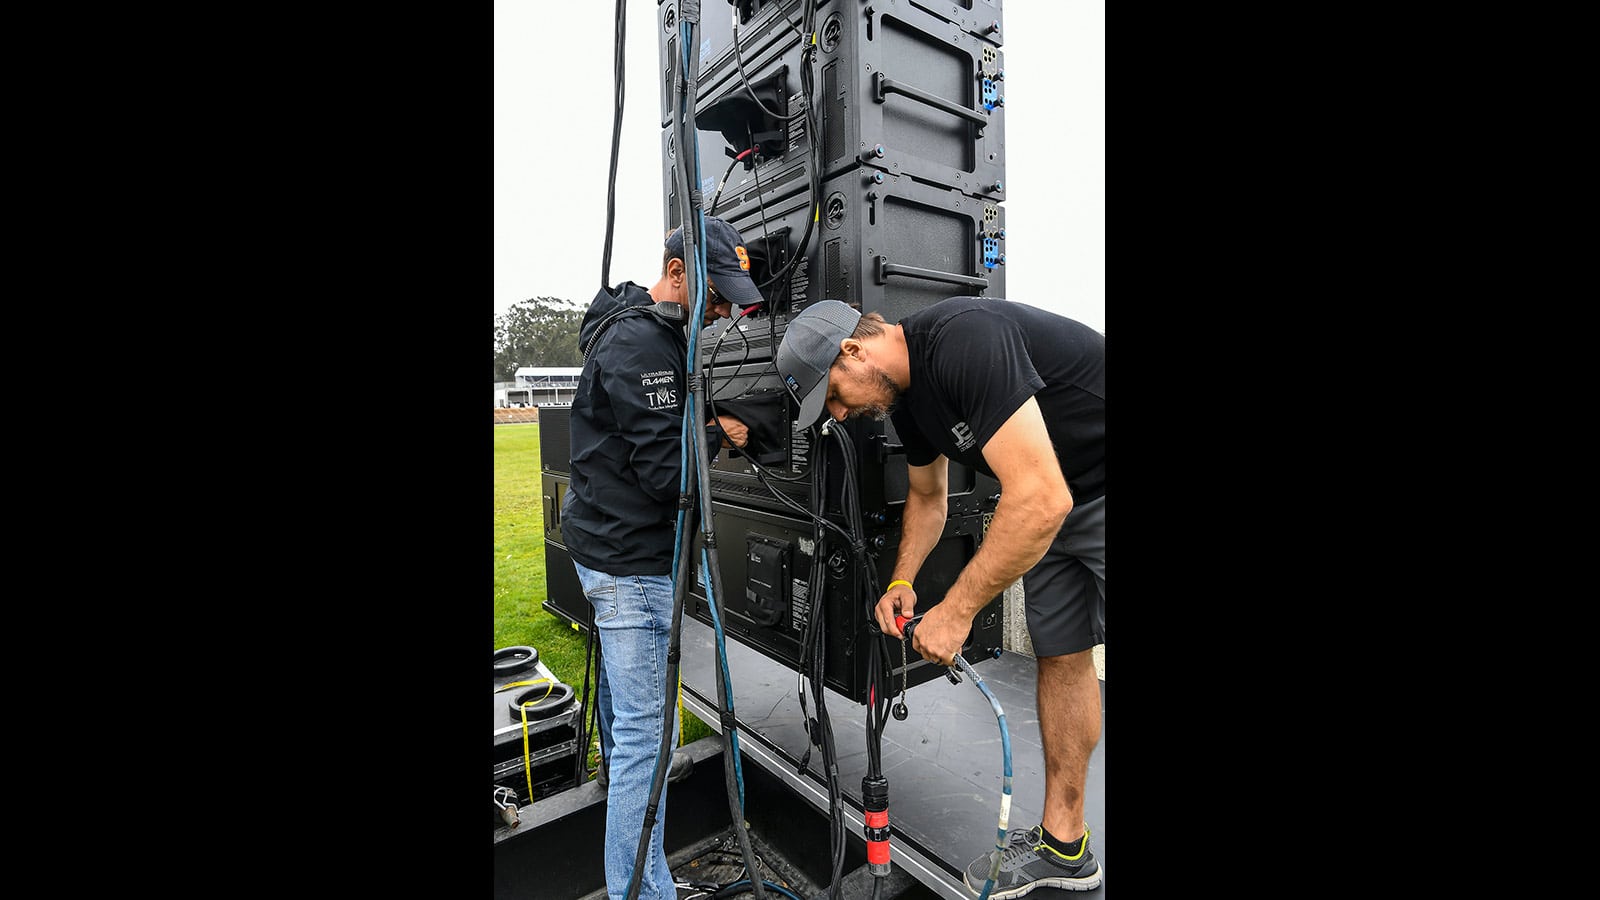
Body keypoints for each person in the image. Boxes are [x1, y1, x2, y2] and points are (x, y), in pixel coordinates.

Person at [774, 297, 1105, 895]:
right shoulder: (909, 402)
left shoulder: (963, 340)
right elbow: (929, 500)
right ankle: (1065, 844)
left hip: (1067, 492)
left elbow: (1038, 497)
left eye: (835, 395)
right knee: (1063, 654)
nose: (841, 414)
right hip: (1057, 495)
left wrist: (955, 612)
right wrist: (904, 581)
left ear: (853, 350)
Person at [563, 215, 760, 900]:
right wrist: (722, 434)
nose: (725, 310)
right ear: (676, 273)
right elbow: (668, 476)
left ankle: (639, 875)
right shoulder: (642, 346)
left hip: (610, 553)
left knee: (627, 736)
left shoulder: (639, 333)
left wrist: (703, 421)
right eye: (717, 293)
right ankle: (642, 892)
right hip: (633, 568)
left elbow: (650, 436)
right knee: (647, 747)